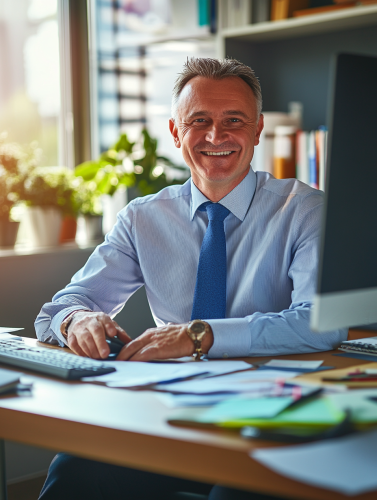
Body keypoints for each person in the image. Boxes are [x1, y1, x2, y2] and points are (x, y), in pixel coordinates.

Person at [35, 57, 347, 500]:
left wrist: (197, 336)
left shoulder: (305, 210)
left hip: (270, 413)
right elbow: (62, 306)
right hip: (170, 408)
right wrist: (78, 320)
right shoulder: (143, 217)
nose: (216, 136)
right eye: (199, 121)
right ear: (176, 132)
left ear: (257, 130)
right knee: (75, 469)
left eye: (233, 121)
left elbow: (321, 320)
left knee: (236, 493)